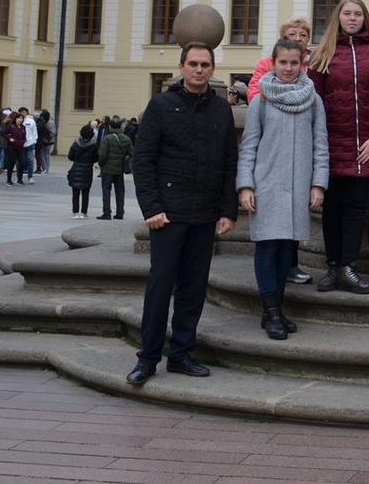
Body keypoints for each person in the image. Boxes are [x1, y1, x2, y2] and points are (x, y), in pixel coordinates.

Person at [126, 43, 239, 385]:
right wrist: (151, 208)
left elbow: (229, 162)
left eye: (205, 64)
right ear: (181, 67)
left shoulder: (221, 109)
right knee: (160, 286)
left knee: (193, 287)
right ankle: (148, 358)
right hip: (168, 214)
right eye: (193, 64)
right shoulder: (161, 106)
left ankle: (181, 354)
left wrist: (228, 210)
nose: (199, 70)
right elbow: (143, 160)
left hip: (204, 214)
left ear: (212, 68)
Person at [237, 37, 330, 340]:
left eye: (294, 62)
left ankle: (275, 309)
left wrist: (318, 184)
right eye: (283, 62)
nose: (289, 68)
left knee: (287, 248)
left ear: (302, 63)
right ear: (273, 63)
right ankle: (272, 311)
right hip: (266, 185)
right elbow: (249, 146)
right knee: (267, 246)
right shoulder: (261, 101)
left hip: (298, 185)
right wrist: (246, 186)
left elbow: (320, 146)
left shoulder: (313, 100)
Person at [308, 0, 369, 295]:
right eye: (348, 13)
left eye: (358, 13)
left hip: (365, 147)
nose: (353, 18)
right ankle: (333, 267)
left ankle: (349, 267)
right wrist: (320, 142)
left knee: (357, 209)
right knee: (332, 209)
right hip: (332, 145)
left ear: (364, 18)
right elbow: (314, 100)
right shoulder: (323, 53)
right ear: (339, 17)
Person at [247, 16, 312, 102]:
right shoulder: (266, 64)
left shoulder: (315, 64)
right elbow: (254, 94)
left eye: (303, 35)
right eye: (292, 34)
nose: (298, 38)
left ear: (308, 39)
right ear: (283, 38)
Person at [97, 116, 132, 220]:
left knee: (106, 191)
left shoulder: (107, 139)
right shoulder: (126, 139)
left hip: (107, 169)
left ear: (110, 126)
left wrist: (101, 164)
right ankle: (120, 212)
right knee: (120, 191)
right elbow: (132, 153)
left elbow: (102, 155)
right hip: (119, 169)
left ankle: (107, 212)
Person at [67, 124, 99, 219]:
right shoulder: (93, 146)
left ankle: (75, 212)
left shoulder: (76, 143)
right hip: (87, 170)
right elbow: (96, 158)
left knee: (75, 192)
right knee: (86, 192)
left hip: (76, 168)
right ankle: (84, 212)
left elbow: (70, 156)